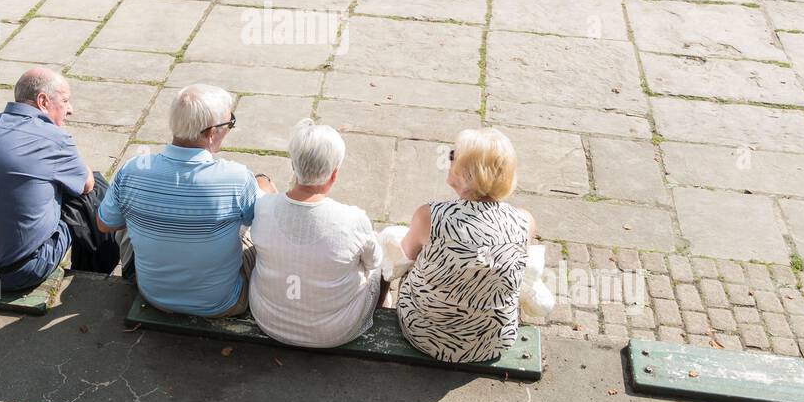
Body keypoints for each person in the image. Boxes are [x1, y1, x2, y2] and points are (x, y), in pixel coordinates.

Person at [96, 84, 278, 318]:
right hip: (222, 303)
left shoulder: (132, 170)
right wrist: (264, 185)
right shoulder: (236, 178)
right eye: (229, 123)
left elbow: (104, 224)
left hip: (154, 296)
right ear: (212, 132)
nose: (230, 128)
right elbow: (268, 224)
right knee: (263, 207)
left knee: (125, 216)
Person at [0, 68, 120, 293]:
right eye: (65, 101)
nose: (71, 109)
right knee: (95, 190)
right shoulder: (55, 139)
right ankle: (91, 280)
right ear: (43, 101)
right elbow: (86, 183)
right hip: (19, 272)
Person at [395, 128, 531, 364]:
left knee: (400, 249)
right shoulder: (524, 222)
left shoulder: (430, 216)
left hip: (425, 334)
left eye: (452, 155)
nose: (449, 159)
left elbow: (402, 256)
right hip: (493, 341)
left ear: (467, 171)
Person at [248, 120, 383, 349]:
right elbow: (373, 263)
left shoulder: (263, 207)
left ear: (293, 165)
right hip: (333, 332)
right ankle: (382, 304)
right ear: (334, 174)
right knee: (381, 253)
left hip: (269, 320)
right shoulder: (353, 220)